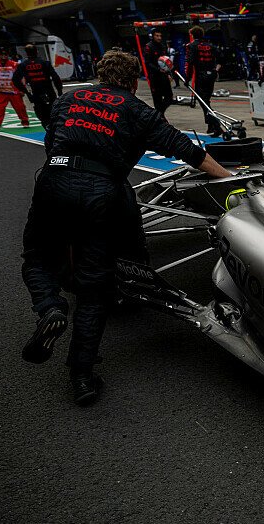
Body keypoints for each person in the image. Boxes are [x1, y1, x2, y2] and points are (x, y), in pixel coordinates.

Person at [20, 50, 232, 405]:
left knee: (37, 258)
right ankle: (82, 376)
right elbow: (187, 151)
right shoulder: (136, 109)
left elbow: (49, 143)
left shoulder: (67, 99)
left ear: (100, 74)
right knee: (94, 286)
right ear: (134, 82)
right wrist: (232, 179)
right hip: (100, 193)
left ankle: (50, 308)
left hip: (53, 181)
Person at [13, 44, 63, 127]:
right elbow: (55, 78)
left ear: (26, 53)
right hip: (49, 92)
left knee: (43, 118)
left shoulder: (23, 65)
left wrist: (26, 92)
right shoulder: (45, 63)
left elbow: (15, 80)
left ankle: (49, 133)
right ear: (37, 51)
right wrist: (60, 92)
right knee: (55, 115)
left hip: (36, 94)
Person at [185, 25, 223, 136]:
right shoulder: (210, 45)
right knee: (206, 101)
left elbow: (190, 63)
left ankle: (217, 126)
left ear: (192, 35)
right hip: (211, 76)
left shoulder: (192, 46)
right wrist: (216, 70)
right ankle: (210, 126)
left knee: (204, 103)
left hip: (201, 77)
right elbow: (221, 57)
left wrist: (187, 79)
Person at [0, 49, 29, 131]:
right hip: (0, 92)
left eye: (5, 54)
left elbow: (21, 77)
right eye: (2, 54)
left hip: (14, 91)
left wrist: (22, 89)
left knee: (20, 107)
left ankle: (25, 121)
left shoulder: (14, 64)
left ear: (8, 55)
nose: (3, 56)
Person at [142, 28, 174, 115]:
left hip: (164, 77)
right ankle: (160, 116)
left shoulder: (163, 46)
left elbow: (167, 62)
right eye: (157, 36)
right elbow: (147, 63)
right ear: (152, 36)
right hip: (154, 77)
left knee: (169, 98)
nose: (159, 38)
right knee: (157, 100)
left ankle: (158, 114)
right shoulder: (148, 47)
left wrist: (169, 73)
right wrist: (158, 69)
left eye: (160, 36)